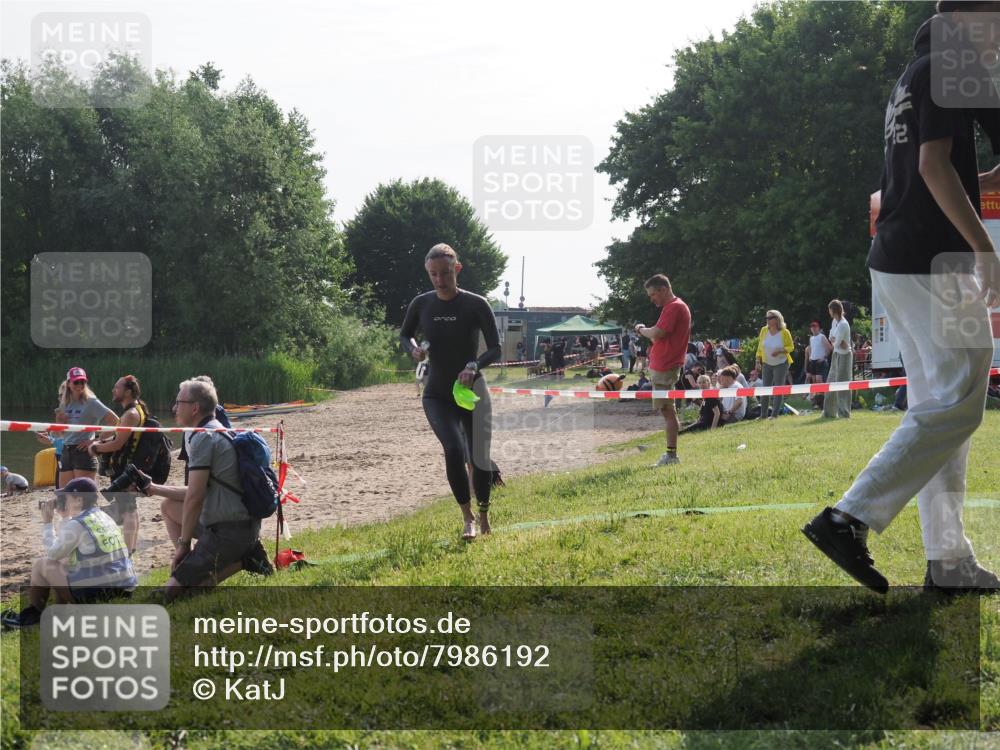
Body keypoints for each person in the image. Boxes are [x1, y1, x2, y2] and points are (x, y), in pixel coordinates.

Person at [804, 1, 1000, 594]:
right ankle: (848, 517)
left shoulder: (917, 75)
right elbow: (934, 169)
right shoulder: (946, 67)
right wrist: (984, 250)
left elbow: (945, 174)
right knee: (959, 401)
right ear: (969, 18)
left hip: (901, 259)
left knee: (942, 408)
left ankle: (949, 562)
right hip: (929, 260)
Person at [400, 243, 502, 540]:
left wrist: (474, 364)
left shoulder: (475, 304)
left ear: (456, 269)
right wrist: (413, 349)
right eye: (433, 274)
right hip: (438, 393)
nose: (439, 280)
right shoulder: (422, 304)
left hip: (472, 391)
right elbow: (405, 334)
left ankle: (484, 514)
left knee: (479, 456)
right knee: (455, 450)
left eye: (445, 273)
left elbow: (495, 347)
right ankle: (467, 518)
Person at [141, 379, 272, 600]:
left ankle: (246, 559)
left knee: (173, 594)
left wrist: (183, 546)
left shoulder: (204, 437)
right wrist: (153, 488)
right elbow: (194, 491)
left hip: (230, 530)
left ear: (194, 408)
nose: (173, 408)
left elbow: (195, 497)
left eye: (178, 402)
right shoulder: (213, 430)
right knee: (169, 506)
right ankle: (232, 556)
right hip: (233, 524)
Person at [0, 478, 137, 629]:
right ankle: (61, 613)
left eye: (66, 497)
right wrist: (65, 517)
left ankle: (31, 617)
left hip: (100, 595)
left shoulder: (78, 524)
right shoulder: (103, 517)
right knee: (65, 562)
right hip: (124, 589)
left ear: (78, 499)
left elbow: (53, 554)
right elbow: (69, 546)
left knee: (42, 565)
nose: (64, 501)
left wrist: (47, 523)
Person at [87, 375, 148, 555]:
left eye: (117, 388)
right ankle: (132, 547)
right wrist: (100, 437)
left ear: (128, 392)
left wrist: (95, 448)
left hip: (125, 468)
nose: (114, 390)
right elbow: (118, 435)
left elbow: (118, 444)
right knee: (130, 507)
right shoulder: (135, 410)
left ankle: (128, 551)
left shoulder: (131, 414)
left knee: (128, 509)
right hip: (129, 467)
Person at [635, 274, 691, 466]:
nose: (652, 299)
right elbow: (658, 337)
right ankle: (670, 454)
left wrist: (641, 329)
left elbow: (657, 333)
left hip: (665, 367)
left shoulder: (674, 307)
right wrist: (648, 332)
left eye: (653, 295)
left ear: (663, 290)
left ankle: (671, 455)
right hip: (663, 366)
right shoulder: (671, 307)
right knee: (668, 411)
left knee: (668, 411)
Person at [57, 367, 119, 487]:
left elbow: (116, 421)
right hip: (66, 450)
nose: (80, 385)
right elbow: (61, 434)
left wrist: (95, 441)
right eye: (76, 382)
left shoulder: (91, 402)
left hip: (83, 452)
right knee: (64, 496)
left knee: (84, 497)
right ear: (69, 383)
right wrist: (60, 422)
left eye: (83, 382)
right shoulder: (64, 403)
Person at [754, 311, 794, 418]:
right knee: (765, 388)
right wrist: (757, 361)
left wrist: (781, 350)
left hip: (781, 363)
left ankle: (774, 415)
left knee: (778, 388)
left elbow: (791, 347)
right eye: (766, 317)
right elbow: (759, 348)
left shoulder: (785, 332)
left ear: (777, 319)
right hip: (767, 363)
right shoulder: (764, 330)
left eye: (770, 317)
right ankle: (763, 415)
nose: (767, 319)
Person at [823, 299, 854, 419]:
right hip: (836, 354)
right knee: (830, 382)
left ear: (833, 310)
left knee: (843, 384)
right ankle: (828, 412)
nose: (829, 312)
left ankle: (844, 413)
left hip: (845, 356)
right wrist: (836, 341)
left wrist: (836, 341)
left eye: (829, 309)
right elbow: (831, 337)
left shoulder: (843, 324)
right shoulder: (834, 322)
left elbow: (836, 343)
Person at [805, 320, 832, 389]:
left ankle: (823, 396)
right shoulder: (811, 338)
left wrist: (824, 357)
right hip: (813, 361)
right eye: (812, 327)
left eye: (815, 326)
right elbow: (811, 348)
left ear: (818, 328)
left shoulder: (822, 336)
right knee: (813, 380)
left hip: (820, 361)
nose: (813, 328)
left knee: (819, 380)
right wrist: (810, 357)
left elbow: (829, 348)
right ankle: (817, 397)